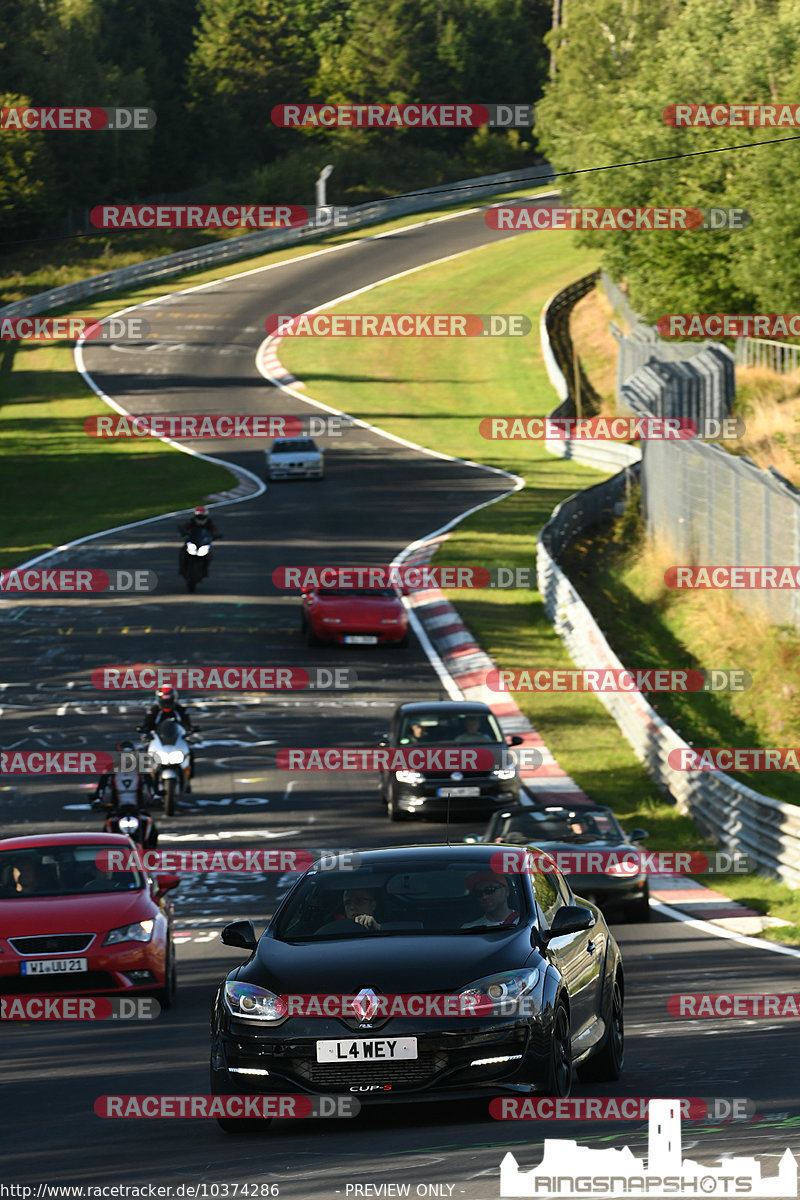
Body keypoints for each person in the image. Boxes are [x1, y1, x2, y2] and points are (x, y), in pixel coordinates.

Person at [140, 686, 195, 790]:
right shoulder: (154, 711)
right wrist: (145, 731)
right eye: (165, 700)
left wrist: (190, 731)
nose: (167, 703)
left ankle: (188, 779)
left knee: (190, 753)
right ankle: (146, 781)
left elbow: (187, 725)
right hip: (158, 741)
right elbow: (147, 724)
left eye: (169, 700)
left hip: (177, 740)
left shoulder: (180, 710)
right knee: (144, 754)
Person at [93, 740, 153, 811]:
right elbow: (103, 783)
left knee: (147, 821)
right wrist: (98, 798)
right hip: (116, 808)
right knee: (110, 821)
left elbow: (150, 783)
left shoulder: (140, 768)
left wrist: (155, 796)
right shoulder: (112, 767)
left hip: (138, 807)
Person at [178, 506, 222, 577]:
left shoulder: (209, 522)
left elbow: (214, 530)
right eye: (199, 515)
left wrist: (215, 535)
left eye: (202, 515)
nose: (200, 517)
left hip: (203, 542)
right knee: (183, 551)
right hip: (192, 540)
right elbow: (185, 527)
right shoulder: (192, 521)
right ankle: (182, 567)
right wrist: (184, 532)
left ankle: (205, 570)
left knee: (209, 555)